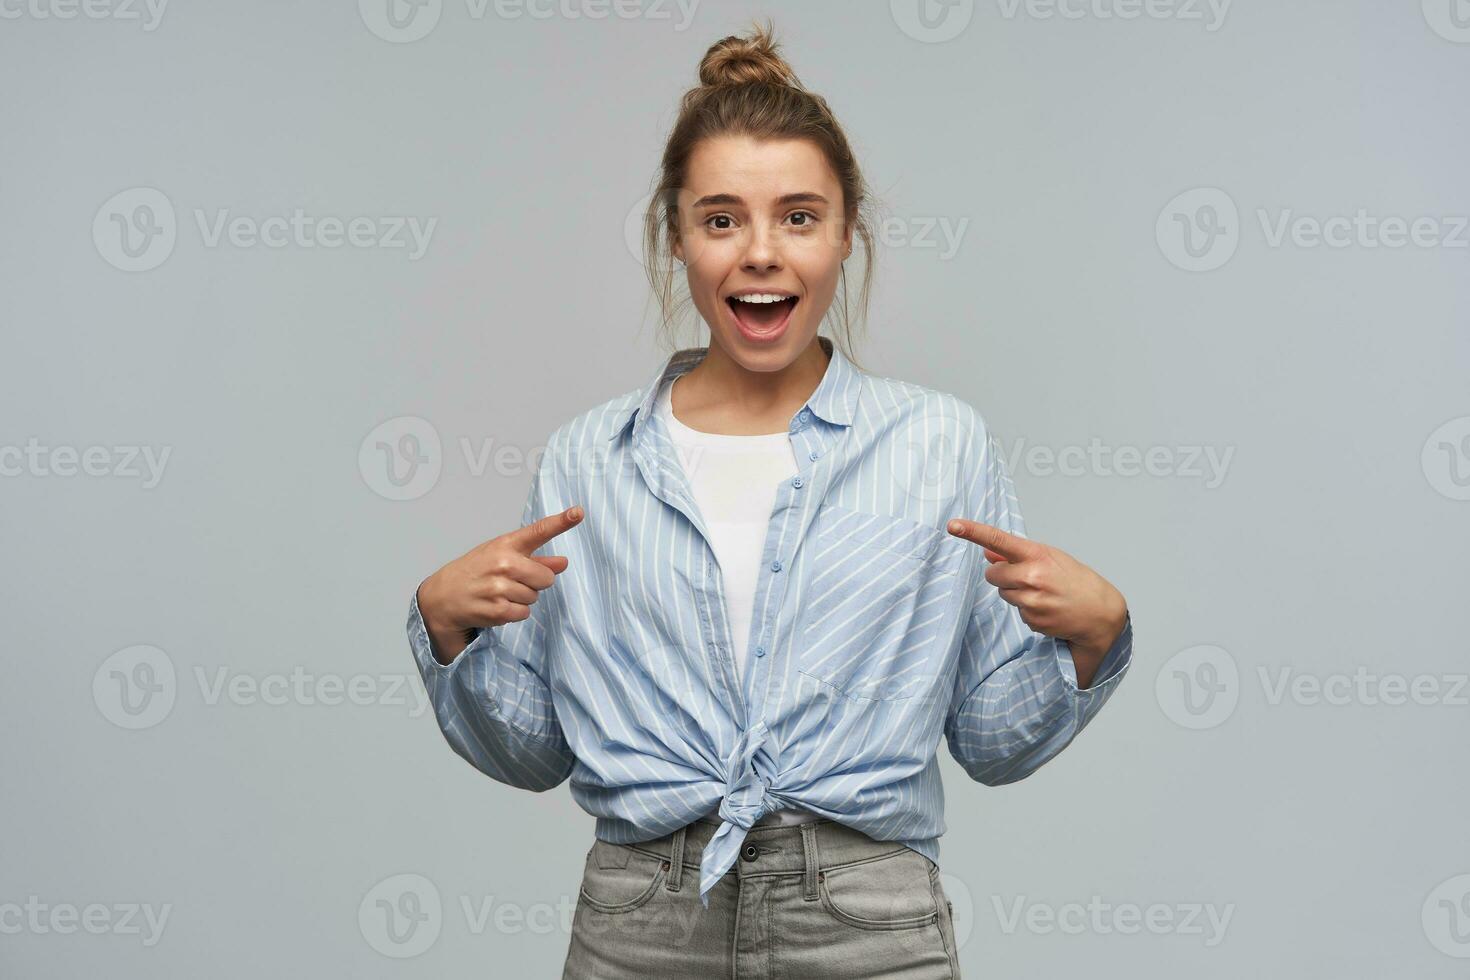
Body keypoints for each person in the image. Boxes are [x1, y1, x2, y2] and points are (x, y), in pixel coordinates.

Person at [407, 19, 1133, 979]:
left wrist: (1094, 640)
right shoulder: (590, 459)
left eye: (798, 216)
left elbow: (986, 743)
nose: (760, 252)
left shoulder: (937, 443)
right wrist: (445, 632)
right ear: (677, 237)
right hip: (641, 925)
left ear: (844, 234)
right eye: (721, 219)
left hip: (869, 923)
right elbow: (542, 750)